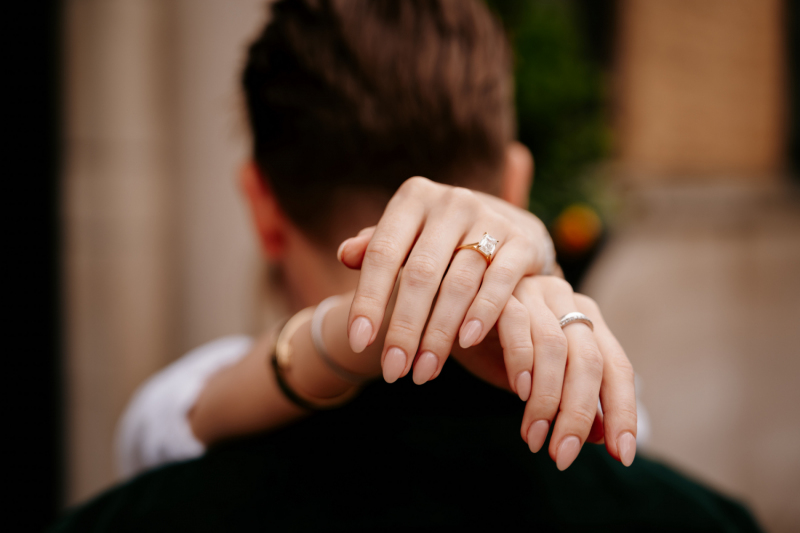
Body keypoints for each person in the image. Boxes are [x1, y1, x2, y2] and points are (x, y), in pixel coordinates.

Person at [50, 1, 760, 531]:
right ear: (514, 186)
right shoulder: (704, 518)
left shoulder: (129, 511)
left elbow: (154, 431)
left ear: (263, 207)